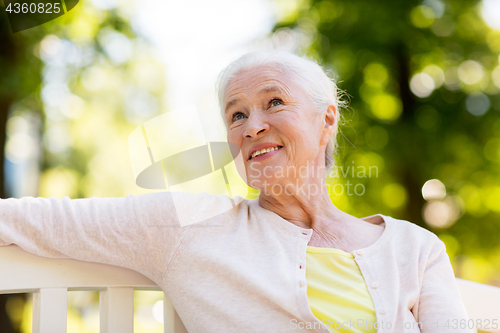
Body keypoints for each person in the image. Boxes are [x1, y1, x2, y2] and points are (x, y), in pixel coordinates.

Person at [0, 50, 471, 333]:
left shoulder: (416, 248)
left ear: (326, 119)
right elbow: (37, 218)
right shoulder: (187, 227)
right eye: (236, 115)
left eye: (274, 102)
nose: (252, 126)